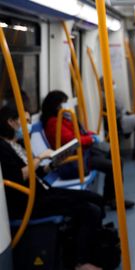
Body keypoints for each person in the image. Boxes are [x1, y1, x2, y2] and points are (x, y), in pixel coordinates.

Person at [0, 103, 103, 270]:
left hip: (43, 192)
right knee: (89, 209)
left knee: (95, 199)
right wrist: (40, 157)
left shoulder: (19, 144)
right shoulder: (2, 147)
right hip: (28, 201)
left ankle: (94, 250)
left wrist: (53, 164)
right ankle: (81, 262)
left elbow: (35, 174)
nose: (28, 125)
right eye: (25, 121)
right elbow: (18, 176)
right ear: (11, 122)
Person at [40, 90, 135, 209]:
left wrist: (90, 135)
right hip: (72, 160)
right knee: (113, 165)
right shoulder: (53, 123)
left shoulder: (62, 117)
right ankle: (112, 199)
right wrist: (90, 140)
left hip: (81, 153)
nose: (65, 106)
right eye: (63, 103)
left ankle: (112, 198)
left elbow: (77, 133)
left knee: (115, 157)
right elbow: (72, 141)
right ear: (55, 105)